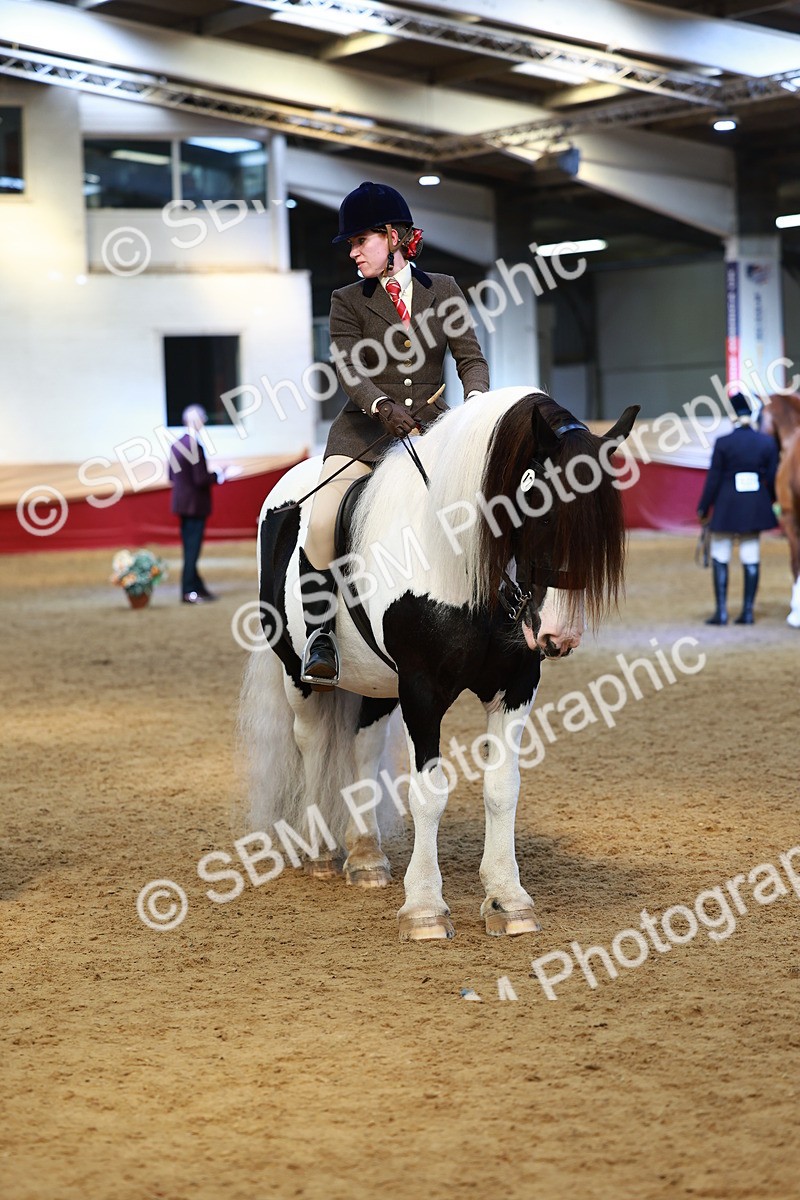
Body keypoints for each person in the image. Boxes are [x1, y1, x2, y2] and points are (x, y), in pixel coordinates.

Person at [298, 180, 490, 690]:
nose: (354, 253)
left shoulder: (443, 290)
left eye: (361, 241)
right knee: (322, 521)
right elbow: (348, 366)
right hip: (363, 434)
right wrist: (380, 406)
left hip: (434, 430)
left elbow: (470, 358)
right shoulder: (346, 300)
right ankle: (320, 636)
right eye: (351, 246)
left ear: (392, 236)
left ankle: (497, 613)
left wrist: (471, 414)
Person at [697, 392, 778, 625]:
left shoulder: (723, 442)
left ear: (733, 415)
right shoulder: (767, 442)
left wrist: (703, 507)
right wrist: (771, 501)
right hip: (755, 505)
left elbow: (713, 479)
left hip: (726, 505)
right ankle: (748, 612)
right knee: (750, 556)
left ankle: (721, 613)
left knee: (720, 555)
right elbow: (772, 478)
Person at [168, 404, 224, 604]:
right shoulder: (194, 446)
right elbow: (201, 479)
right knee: (192, 549)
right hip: (195, 504)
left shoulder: (176, 444)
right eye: (202, 419)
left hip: (181, 503)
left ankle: (197, 586)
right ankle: (189, 590)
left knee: (189, 548)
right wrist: (219, 475)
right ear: (197, 421)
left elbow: (171, 476)